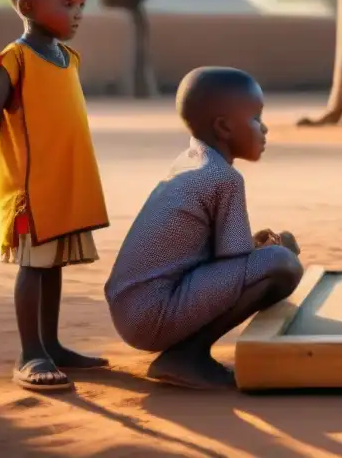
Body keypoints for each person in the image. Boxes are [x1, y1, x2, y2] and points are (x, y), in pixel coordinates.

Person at [104, 67, 303, 390]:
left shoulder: (191, 160)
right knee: (283, 265)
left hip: (132, 309)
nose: (264, 129)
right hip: (153, 314)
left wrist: (260, 245)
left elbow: (216, 252)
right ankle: (186, 356)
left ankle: (184, 353)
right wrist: (275, 251)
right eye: (256, 118)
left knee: (276, 255)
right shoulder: (224, 178)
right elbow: (236, 259)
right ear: (224, 127)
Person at [0, 0, 111, 392]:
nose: (77, 14)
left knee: (53, 267)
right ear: (28, 6)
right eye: (66, 4)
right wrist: (22, 151)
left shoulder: (68, 57)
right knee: (32, 268)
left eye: (81, 5)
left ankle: (51, 344)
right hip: (32, 188)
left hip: (66, 185)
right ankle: (29, 353)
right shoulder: (15, 58)